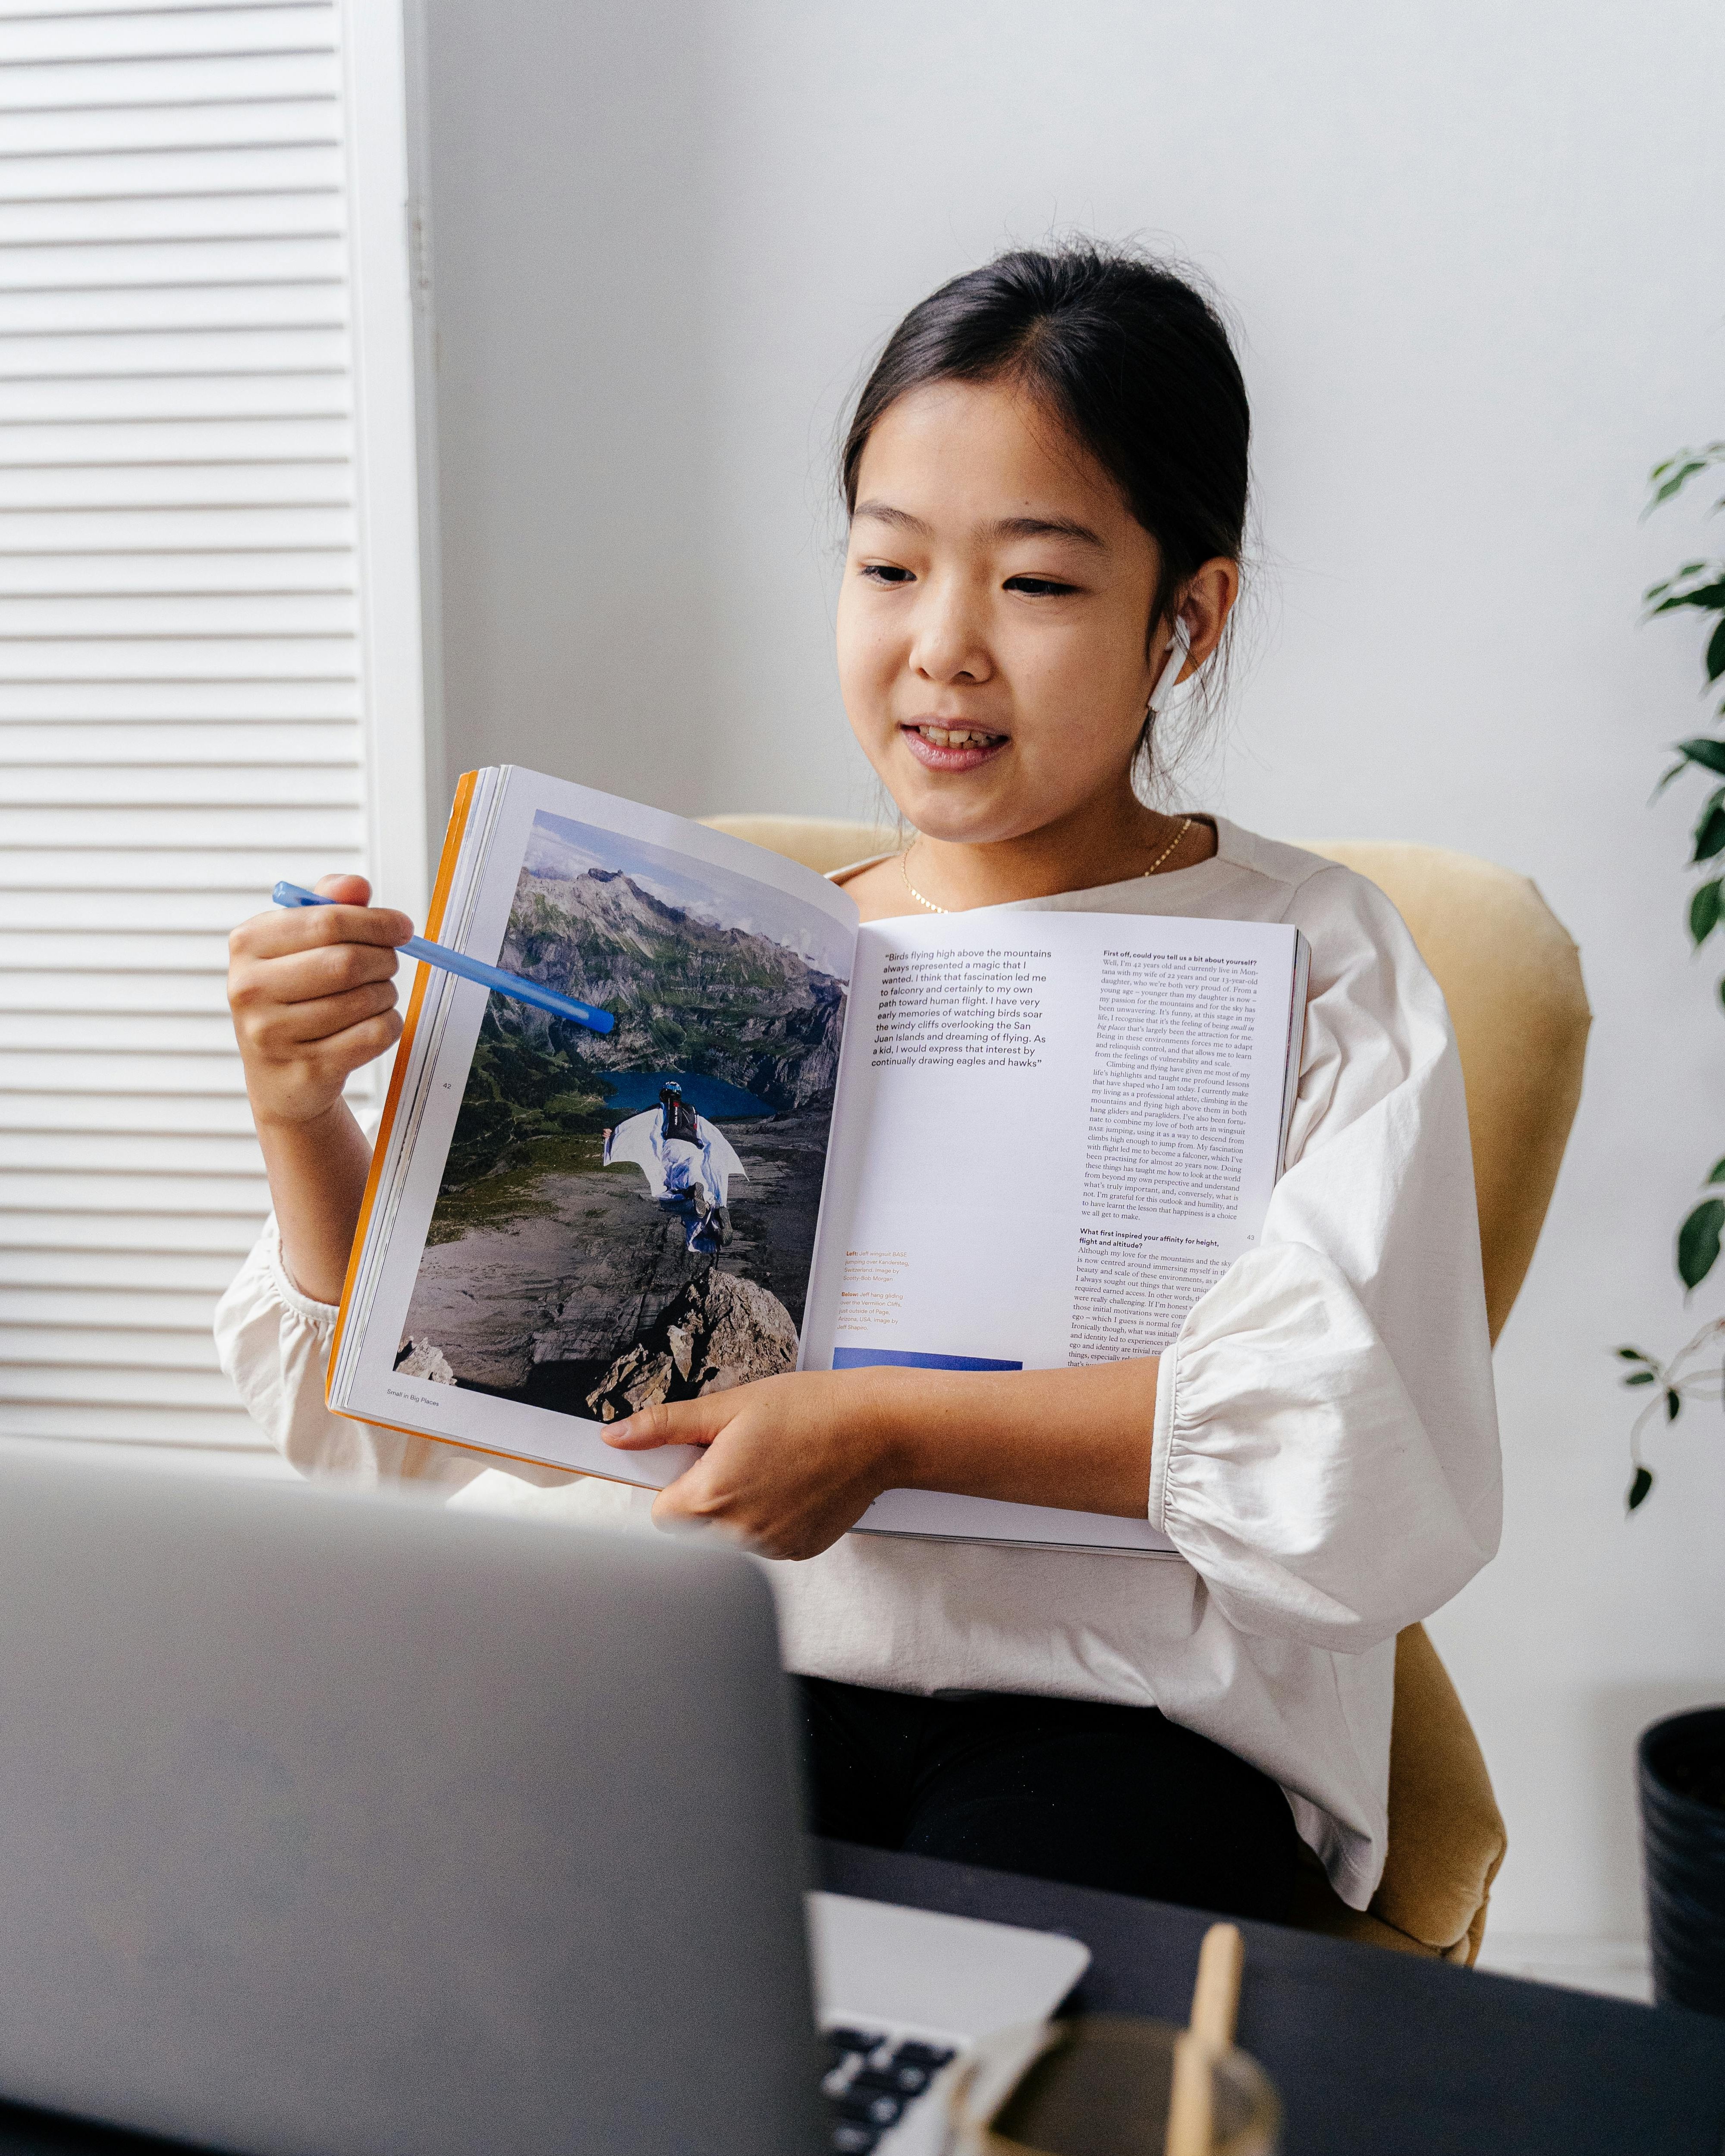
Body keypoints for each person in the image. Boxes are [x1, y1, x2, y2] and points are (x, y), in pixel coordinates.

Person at [217, 242, 1499, 1925]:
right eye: (888, 565)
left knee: (1014, 1991)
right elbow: (400, 1415)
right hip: (713, 1656)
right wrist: (301, 1111)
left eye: (1034, 583)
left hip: (1121, 1719)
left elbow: (1350, 1427)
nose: (942, 648)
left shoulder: (1313, 951)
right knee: (457, 1923)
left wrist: (889, 1429)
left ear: (1185, 616)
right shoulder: (734, 956)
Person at [602, 1081, 744, 1253]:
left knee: (671, 1190)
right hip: (695, 1150)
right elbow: (711, 1134)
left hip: (674, 1147)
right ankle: (714, 1216)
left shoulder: (664, 1108)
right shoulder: (693, 1112)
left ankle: (691, 1192)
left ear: (664, 1095)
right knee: (696, 1181)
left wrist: (615, 1131)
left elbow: (638, 1121)